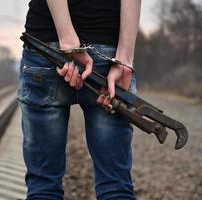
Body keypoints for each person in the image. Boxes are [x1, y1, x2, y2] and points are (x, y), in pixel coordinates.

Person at [17, 0, 141, 199]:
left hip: (47, 47)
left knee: (43, 187)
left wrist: (68, 40)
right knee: (116, 187)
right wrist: (125, 59)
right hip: (109, 52)